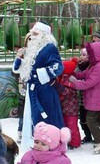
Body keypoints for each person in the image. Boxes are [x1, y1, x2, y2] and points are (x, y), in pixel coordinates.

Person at [12, 21, 65, 150]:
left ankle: (52, 144)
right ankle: (38, 142)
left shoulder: (49, 47)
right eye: (32, 32)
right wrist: (19, 58)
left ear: (44, 34)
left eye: (35, 33)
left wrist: (38, 75)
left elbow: (58, 67)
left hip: (44, 89)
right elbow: (22, 68)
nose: (32, 35)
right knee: (34, 116)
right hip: (33, 89)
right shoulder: (33, 48)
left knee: (46, 115)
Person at [69, 42, 100, 154]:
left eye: (90, 52)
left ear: (96, 53)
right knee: (99, 119)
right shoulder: (94, 64)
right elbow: (84, 74)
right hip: (94, 97)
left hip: (96, 97)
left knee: (90, 119)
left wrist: (74, 84)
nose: (88, 55)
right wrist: (73, 74)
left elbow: (89, 82)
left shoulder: (99, 66)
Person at [11, 122, 75, 164]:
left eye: (43, 144)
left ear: (53, 146)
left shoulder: (62, 162)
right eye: (36, 142)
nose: (38, 146)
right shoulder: (29, 155)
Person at [57, 57, 81, 150]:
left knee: (72, 125)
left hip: (71, 107)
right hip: (64, 106)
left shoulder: (71, 79)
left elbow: (68, 92)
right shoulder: (62, 77)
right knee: (66, 125)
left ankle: (75, 143)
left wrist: (59, 88)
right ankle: (68, 141)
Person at [77, 48, 92, 144]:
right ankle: (87, 135)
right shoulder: (77, 67)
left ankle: (95, 134)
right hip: (80, 98)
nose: (81, 57)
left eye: (84, 55)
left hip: (90, 97)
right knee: (82, 119)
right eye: (81, 54)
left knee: (91, 118)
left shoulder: (91, 67)